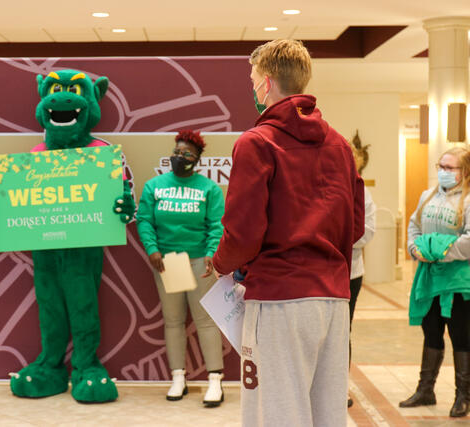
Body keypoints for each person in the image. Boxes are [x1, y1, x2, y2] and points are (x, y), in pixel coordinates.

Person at [212, 39, 364, 426]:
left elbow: (244, 232)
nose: (251, 87)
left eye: (252, 79)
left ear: (266, 82)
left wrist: (220, 264)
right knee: (327, 412)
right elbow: (356, 225)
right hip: (333, 299)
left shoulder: (256, 142)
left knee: (276, 412)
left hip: (279, 298)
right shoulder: (341, 146)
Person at [136, 130, 226, 407]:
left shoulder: (209, 189)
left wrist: (212, 253)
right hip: (168, 262)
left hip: (199, 260)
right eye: (177, 152)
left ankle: (215, 380)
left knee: (205, 320)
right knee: (174, 320)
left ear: (197, 159)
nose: (179, 157)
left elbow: (216, 224)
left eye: (187, 154)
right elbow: (144, 220)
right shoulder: (154, 186)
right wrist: (152, 249)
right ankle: (178, 377)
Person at [400, 147, 470, 418]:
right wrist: (415, 249)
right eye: (441, 166)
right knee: (431, 331)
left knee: (461, 336)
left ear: (464, 172)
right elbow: (414, 227)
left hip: (458, 281)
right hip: (429, 278)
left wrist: (437, 251)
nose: (443, 171)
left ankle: (463, 395)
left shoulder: (467, 199)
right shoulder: (427, 196)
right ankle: (425, 389)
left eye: (450, 167)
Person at [348, 152, 376, 408]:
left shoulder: (361, 191)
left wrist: (335, 244)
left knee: (342, 331)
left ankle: (339, 384)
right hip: (316, 271)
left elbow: (367, 232)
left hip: (349, 272)